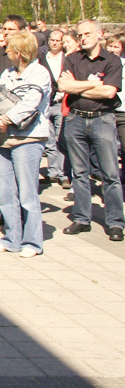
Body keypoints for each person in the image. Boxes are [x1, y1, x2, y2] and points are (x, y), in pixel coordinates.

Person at [58, 19, 124, 241]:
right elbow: (63, 86)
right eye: (80, 35)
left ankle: (115, 222)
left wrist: (77, 87)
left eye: (87, 34)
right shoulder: (72, 59)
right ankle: (82, 218)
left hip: (102, 119)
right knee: (79, 173)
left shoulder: (112, 60)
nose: (82, 38)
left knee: (110, 174)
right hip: (76, 119)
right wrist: (95, 84)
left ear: (99, 34)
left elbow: (109, 93)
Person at [0, 31, 51, 257]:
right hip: (4, 138)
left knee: (27, 193)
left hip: (28, 139)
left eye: (9, 49)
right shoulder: (7, 73)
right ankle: (11, 238)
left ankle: (32, 243)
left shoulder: (40, 73)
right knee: (6, 192)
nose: (5, 53)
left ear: (20, 53)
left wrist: (6, 119)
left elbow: (30, 104)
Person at [38, 29, 69, 189]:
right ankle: (52, 172)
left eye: (58, 40)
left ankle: (63, 175)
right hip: (47, 104)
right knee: (49, 140)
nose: (55, 43)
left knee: (61, 140)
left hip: (62, 103)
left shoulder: (67, 59)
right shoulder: (42, 59)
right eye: (52, 40)